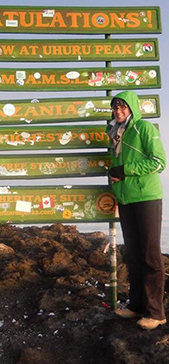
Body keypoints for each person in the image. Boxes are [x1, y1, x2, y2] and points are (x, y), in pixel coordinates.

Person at [107, 91, 166, 330]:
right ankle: (136, 306)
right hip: (126, 199)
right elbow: (117, 167)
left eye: (122, 106)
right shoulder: (114, 133)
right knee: (133, 254)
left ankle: (156, 313)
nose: (118, 110)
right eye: (115, 107)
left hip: (147, 198)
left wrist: (125, 170)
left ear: (131, 107)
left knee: (150, 255)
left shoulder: (145, 128)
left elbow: (158, 162)